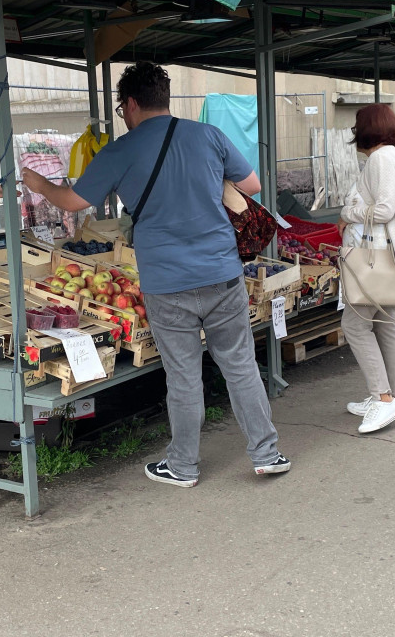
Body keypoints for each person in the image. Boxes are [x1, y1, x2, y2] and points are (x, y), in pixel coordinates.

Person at [22, 61, 289, 487]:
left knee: (183, 376)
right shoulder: (209, 135)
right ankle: (266, 453)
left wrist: (39, 184)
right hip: (222, 272)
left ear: (129, 104)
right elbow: (252, 185)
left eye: (122, 108)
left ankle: (183, 467)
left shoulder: (121, 151)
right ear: (164, 97)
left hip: (168, 285)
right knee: (239, 365)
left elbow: (73, 202)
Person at [337, 104, 395, 434]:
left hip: (372, 257)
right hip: (389, 257)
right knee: (383, 323)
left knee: (354, 324)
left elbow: (383, 210)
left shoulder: (380, 158)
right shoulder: (393, 155)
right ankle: (390, 393)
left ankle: (384, 399)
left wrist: (349, 212)